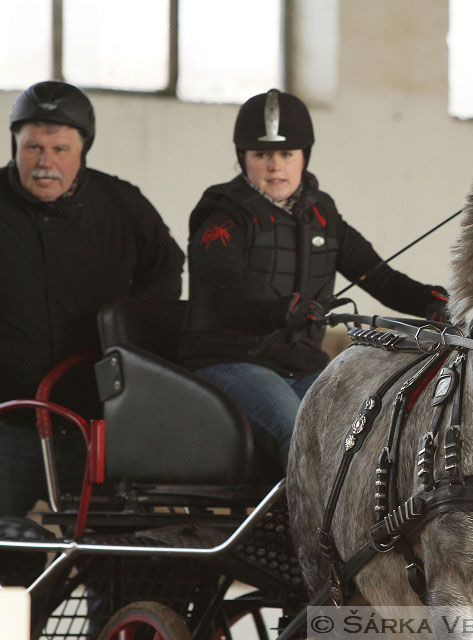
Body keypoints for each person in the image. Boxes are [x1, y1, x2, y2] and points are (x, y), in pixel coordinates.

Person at [179, 89, 447, 474]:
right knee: (300, 432)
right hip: (230, 360)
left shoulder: (321, 215)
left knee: (366, 433)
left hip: (301, 365)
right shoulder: (222, 216)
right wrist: (285, 310)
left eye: (286, 155)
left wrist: (431, 301)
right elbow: (225, 299)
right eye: (262, 155)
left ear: (304, 156)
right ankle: (299, 535)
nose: (275, 167)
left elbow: (379, 277)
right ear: (243, 159)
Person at [0, 81, 185, 581]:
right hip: (8, 420)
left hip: (97, 422)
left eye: (60, 149)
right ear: (14, 145)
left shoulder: (122, 205)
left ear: (82, 151)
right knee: (6, 551)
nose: (45, 162)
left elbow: (167, 265)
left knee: (110, 551)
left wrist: (132, 343)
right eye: (33, 147)